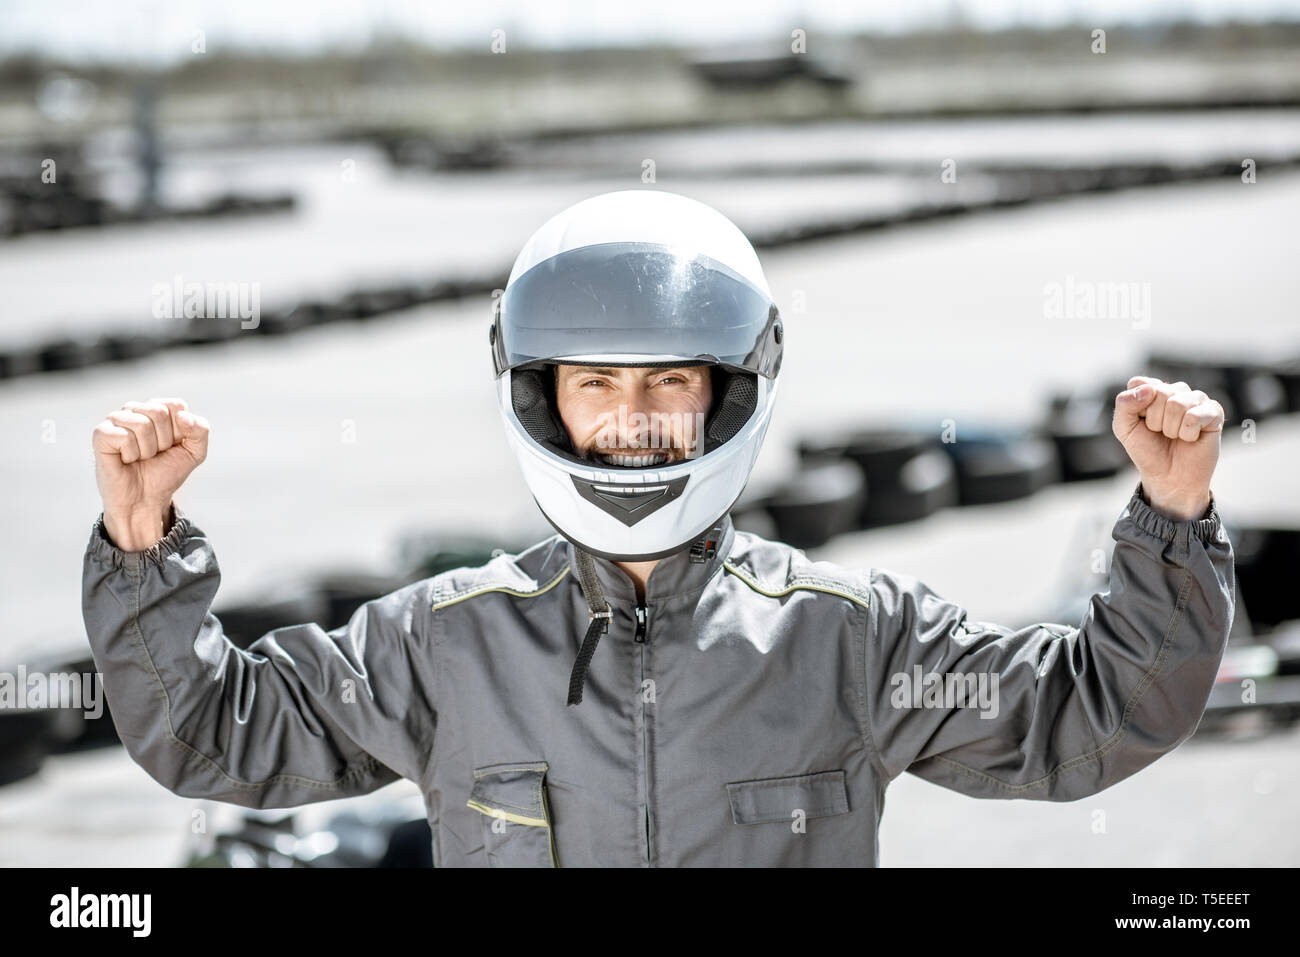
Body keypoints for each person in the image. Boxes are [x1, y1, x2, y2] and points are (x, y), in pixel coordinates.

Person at [82, 189, 1235, 867]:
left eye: (668, 382)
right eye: (595, 385)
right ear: (542, 396)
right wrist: (144, 558)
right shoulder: (440, 644)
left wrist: (1170, 521)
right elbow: (213, 738)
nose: (632, 420)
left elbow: (1097, 718)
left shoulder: (853, 639)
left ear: (726, 390)